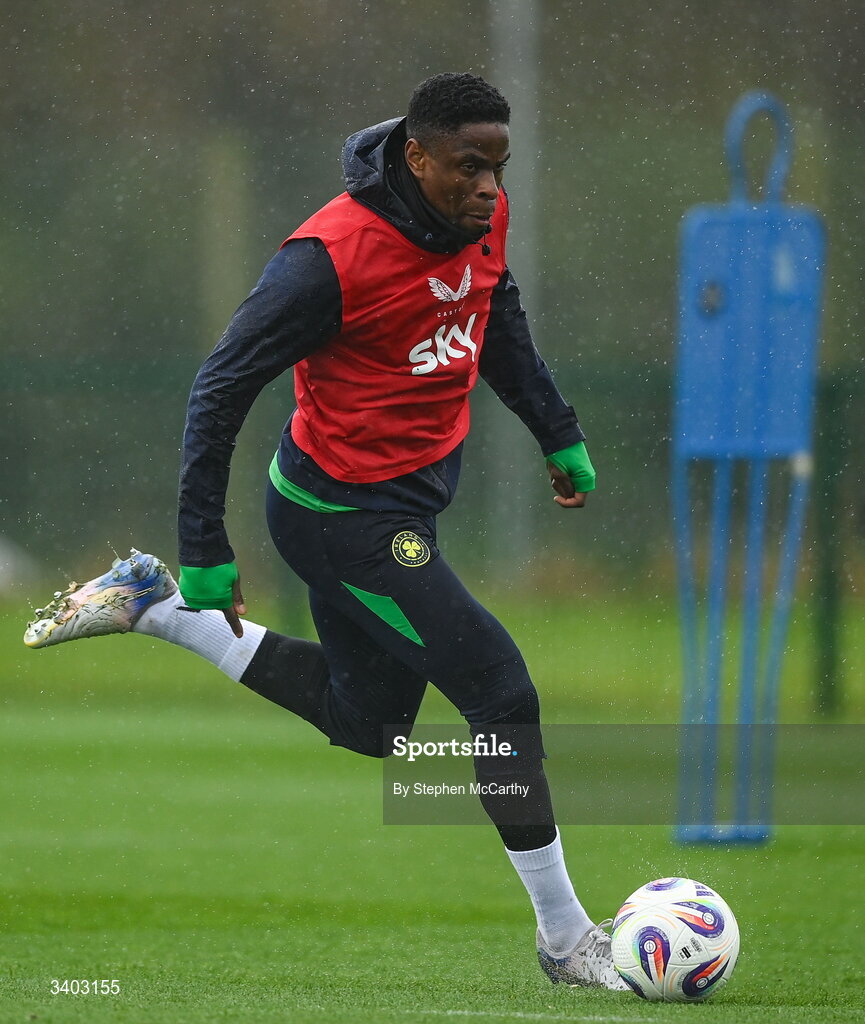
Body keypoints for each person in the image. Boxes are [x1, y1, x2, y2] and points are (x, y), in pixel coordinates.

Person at [24, 72, 627, 993]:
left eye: (499, 169)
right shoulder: (327, 257)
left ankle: (155, 609)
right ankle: (566, 940)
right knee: (501, 695)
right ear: (415, 157)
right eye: (469, 168)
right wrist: (206, 544)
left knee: (371, 725)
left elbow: (493, 314)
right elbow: (219, 388)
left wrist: (557, 430)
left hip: (406, 503)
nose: (488, 190)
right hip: (343, 517)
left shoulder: (478, 216)